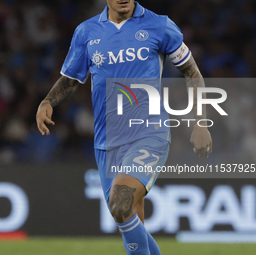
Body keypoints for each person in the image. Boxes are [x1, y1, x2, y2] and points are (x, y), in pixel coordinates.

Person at [36, 1, 212, 254]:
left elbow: (192, 73)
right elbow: (71, 79)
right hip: (107, 142)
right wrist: (47, 101)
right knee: (128, 217)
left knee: (120, 204)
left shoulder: (160, 25)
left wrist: (201, 123)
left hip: (148, 132)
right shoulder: (86, 32)